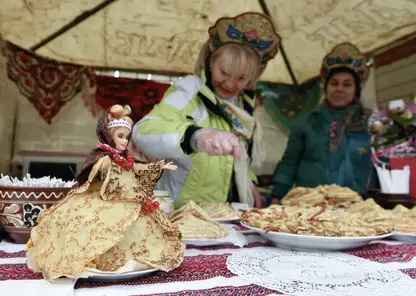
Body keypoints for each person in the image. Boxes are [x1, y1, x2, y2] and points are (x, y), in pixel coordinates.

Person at [133, 12, 281, 208]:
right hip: (180, 211)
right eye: (224, 72)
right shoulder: (188, 90)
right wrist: (195, 136)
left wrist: (250, 184)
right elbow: (143, 132)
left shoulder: (243, 107)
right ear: (211, 62)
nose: (229, 84)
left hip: (224, 212)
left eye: (241, 78)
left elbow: (240, 160)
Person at [26, 104, 184, 281]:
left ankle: (133, 259)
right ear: (109, 136)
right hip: (104, 197)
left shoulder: (126, 158)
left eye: (126, 137)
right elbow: (91, 174)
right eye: (120, 136)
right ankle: (95, 260)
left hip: (130, 199)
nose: (125, 141)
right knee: (93, 225)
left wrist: (159, 166)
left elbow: (138, 168)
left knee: (139, 227)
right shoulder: (102, 156)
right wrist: (101, 166)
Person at [270, 42, 379, 203]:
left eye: (347, 84)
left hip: (355, 208)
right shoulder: (307, 123)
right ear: (326, 87)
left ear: (356, 89)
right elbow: (289, 163)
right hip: (309, 206)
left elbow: (380, 168)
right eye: (334, 83)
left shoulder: (370, 125)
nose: (339, 89)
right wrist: (276, 197)